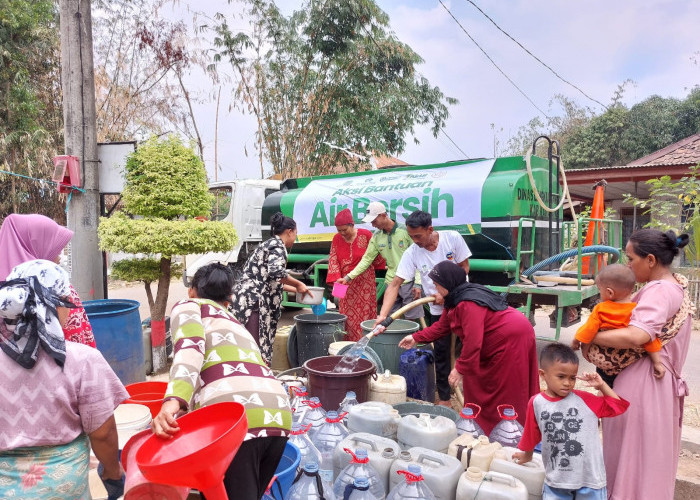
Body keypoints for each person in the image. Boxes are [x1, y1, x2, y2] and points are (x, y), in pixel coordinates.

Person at [152, 263, 292, 500]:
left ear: (192, 291)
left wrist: (173, 401)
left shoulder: (188, 305)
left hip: (235, 421)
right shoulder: (235, 323)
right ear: (228, 301)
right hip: (278, 416)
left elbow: (190, 348)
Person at [0, 259, 127, 500]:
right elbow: (102, 433)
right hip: (63, 486)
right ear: (55, 306)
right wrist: (112, 471)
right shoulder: (82, 360)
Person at [582, 229, 692, 500]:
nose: (628, 266)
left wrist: (589, 335)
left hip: (642, 387)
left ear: (651, 260)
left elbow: (639, 335)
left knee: (634, 459)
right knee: (648, 458)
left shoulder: (659, 291)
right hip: (654, 385)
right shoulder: (676, 286)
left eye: (631, 259)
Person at [397, 261, 539, 433]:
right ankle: (482, 428)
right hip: (498, 338)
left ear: (448, 283)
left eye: (436, 285)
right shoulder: (455, 299)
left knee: (505, 388)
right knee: (479, 384)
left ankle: (510, 432)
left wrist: (460, 368)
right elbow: (442, 327)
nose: (434, 290)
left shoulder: (468, 303)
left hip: (511, 337)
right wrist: (415, 337)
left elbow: (473, 341)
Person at [378, 210, 471, 407]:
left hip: (463, 303)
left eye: (418, 236)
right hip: (438, 309)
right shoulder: (412, 252)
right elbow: (395, 284)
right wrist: (383, 316)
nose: (415, 240)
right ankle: (445, 399)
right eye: (411, 236)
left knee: (471, 348)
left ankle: (472, 397)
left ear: (430, 229)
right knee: (441, 352)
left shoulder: (452, 238)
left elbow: (464, 267)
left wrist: (447, 293)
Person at [513, 343, 629, 500]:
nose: (567, 383)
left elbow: (618, 406)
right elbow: (531, 434)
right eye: (561, 377)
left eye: (572, 377)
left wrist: (602, 386)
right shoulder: (537, 402)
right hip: (557, 480)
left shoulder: (586, 400)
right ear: (543, 374)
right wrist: (527, 455)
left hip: (590, 480)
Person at [0, 213, 96, 347]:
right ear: (35, 247)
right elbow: (79, 340)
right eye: (54, 248)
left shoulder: (5, 292)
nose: (59, 256)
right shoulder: (56, 287)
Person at [231, 212, 309, 364]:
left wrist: (299, 290)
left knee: (250, 347)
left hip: (249, 300)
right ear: (289, 232)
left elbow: (270, 280)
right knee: (255, 349)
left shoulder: (269, 244)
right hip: (254, 305)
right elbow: (277, 273)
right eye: (296, 234)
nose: (295, 238)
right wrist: (299, 283)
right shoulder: (277, 247)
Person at [572, 263, 666, 380]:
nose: (600, 294)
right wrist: (657, 362)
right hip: (627, 364)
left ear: (610, 292)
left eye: (600, 290)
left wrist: (578, 343)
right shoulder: (636, 311)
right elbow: (650, 339)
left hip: (604, 362)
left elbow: (588, 329)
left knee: (605, 386)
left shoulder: (601, 309)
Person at [336, 201, 424, 324]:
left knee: (411, 320)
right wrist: (348, 277)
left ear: (383, 215)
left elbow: (419, 257)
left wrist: (418, 283)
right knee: (391, 320)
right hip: (391, 282)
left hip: (409, 281)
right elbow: (366, 260)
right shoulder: (376, 237)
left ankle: (411, 342)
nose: (373, 225)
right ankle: (395, 343)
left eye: (374, 221)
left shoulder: (405, 231)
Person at [326, 208, 386, 340]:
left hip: (365, 282)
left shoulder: (366, 235)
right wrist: (336, 280)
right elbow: (333, 259)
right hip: (344, 282)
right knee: (346, 315)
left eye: (344, 230)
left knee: (364, 314)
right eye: (339, 230)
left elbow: (376, 255)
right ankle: (347, 344)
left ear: (352, 225)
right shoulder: (336, 239)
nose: (342, 233)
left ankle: (364, 342)